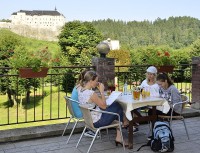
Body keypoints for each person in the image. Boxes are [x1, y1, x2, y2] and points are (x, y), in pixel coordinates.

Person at [78, 70, 128, 146]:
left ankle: (121, 129)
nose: (97, 83)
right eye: (96, 81)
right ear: (91, 81)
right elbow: (104, 106)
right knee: (118, 106)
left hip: (89, 121)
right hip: (98, 122)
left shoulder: (81, 90)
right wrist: (101, 91)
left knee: (115, 108)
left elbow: (95, 103)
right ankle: (123, 127)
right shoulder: (91, 93)